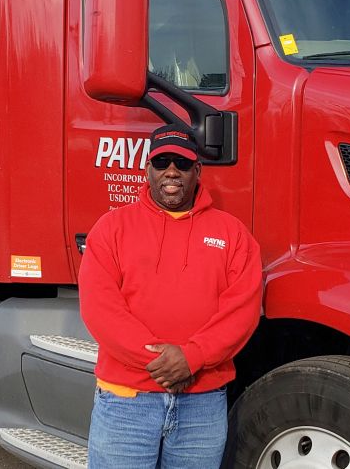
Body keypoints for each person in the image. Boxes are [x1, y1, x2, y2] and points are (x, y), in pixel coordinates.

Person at [79, 124, 263, 469]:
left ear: (198, 170)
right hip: (126, 401)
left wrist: (193, 358)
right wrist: (165, 364)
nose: (171, 171)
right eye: (162, 161)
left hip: (202, 403)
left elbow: (243, 310)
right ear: (148, 169)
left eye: (181, 162)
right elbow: (100, 307)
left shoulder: (232, 233)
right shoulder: (112, 228)